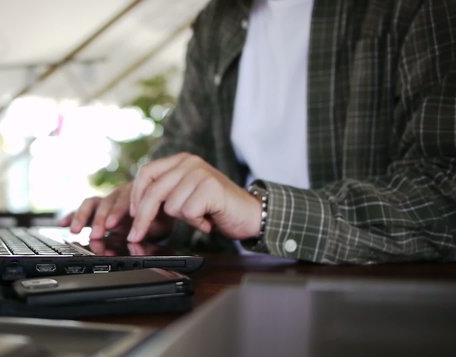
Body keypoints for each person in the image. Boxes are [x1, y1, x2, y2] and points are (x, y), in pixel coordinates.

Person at [60, 0, 456, 264]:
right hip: (230, 296)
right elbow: (183, 149)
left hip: (371, 312)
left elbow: (444, 198)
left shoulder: (415, 8)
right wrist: (153, 208)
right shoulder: (218, 20)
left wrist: (262, 214)